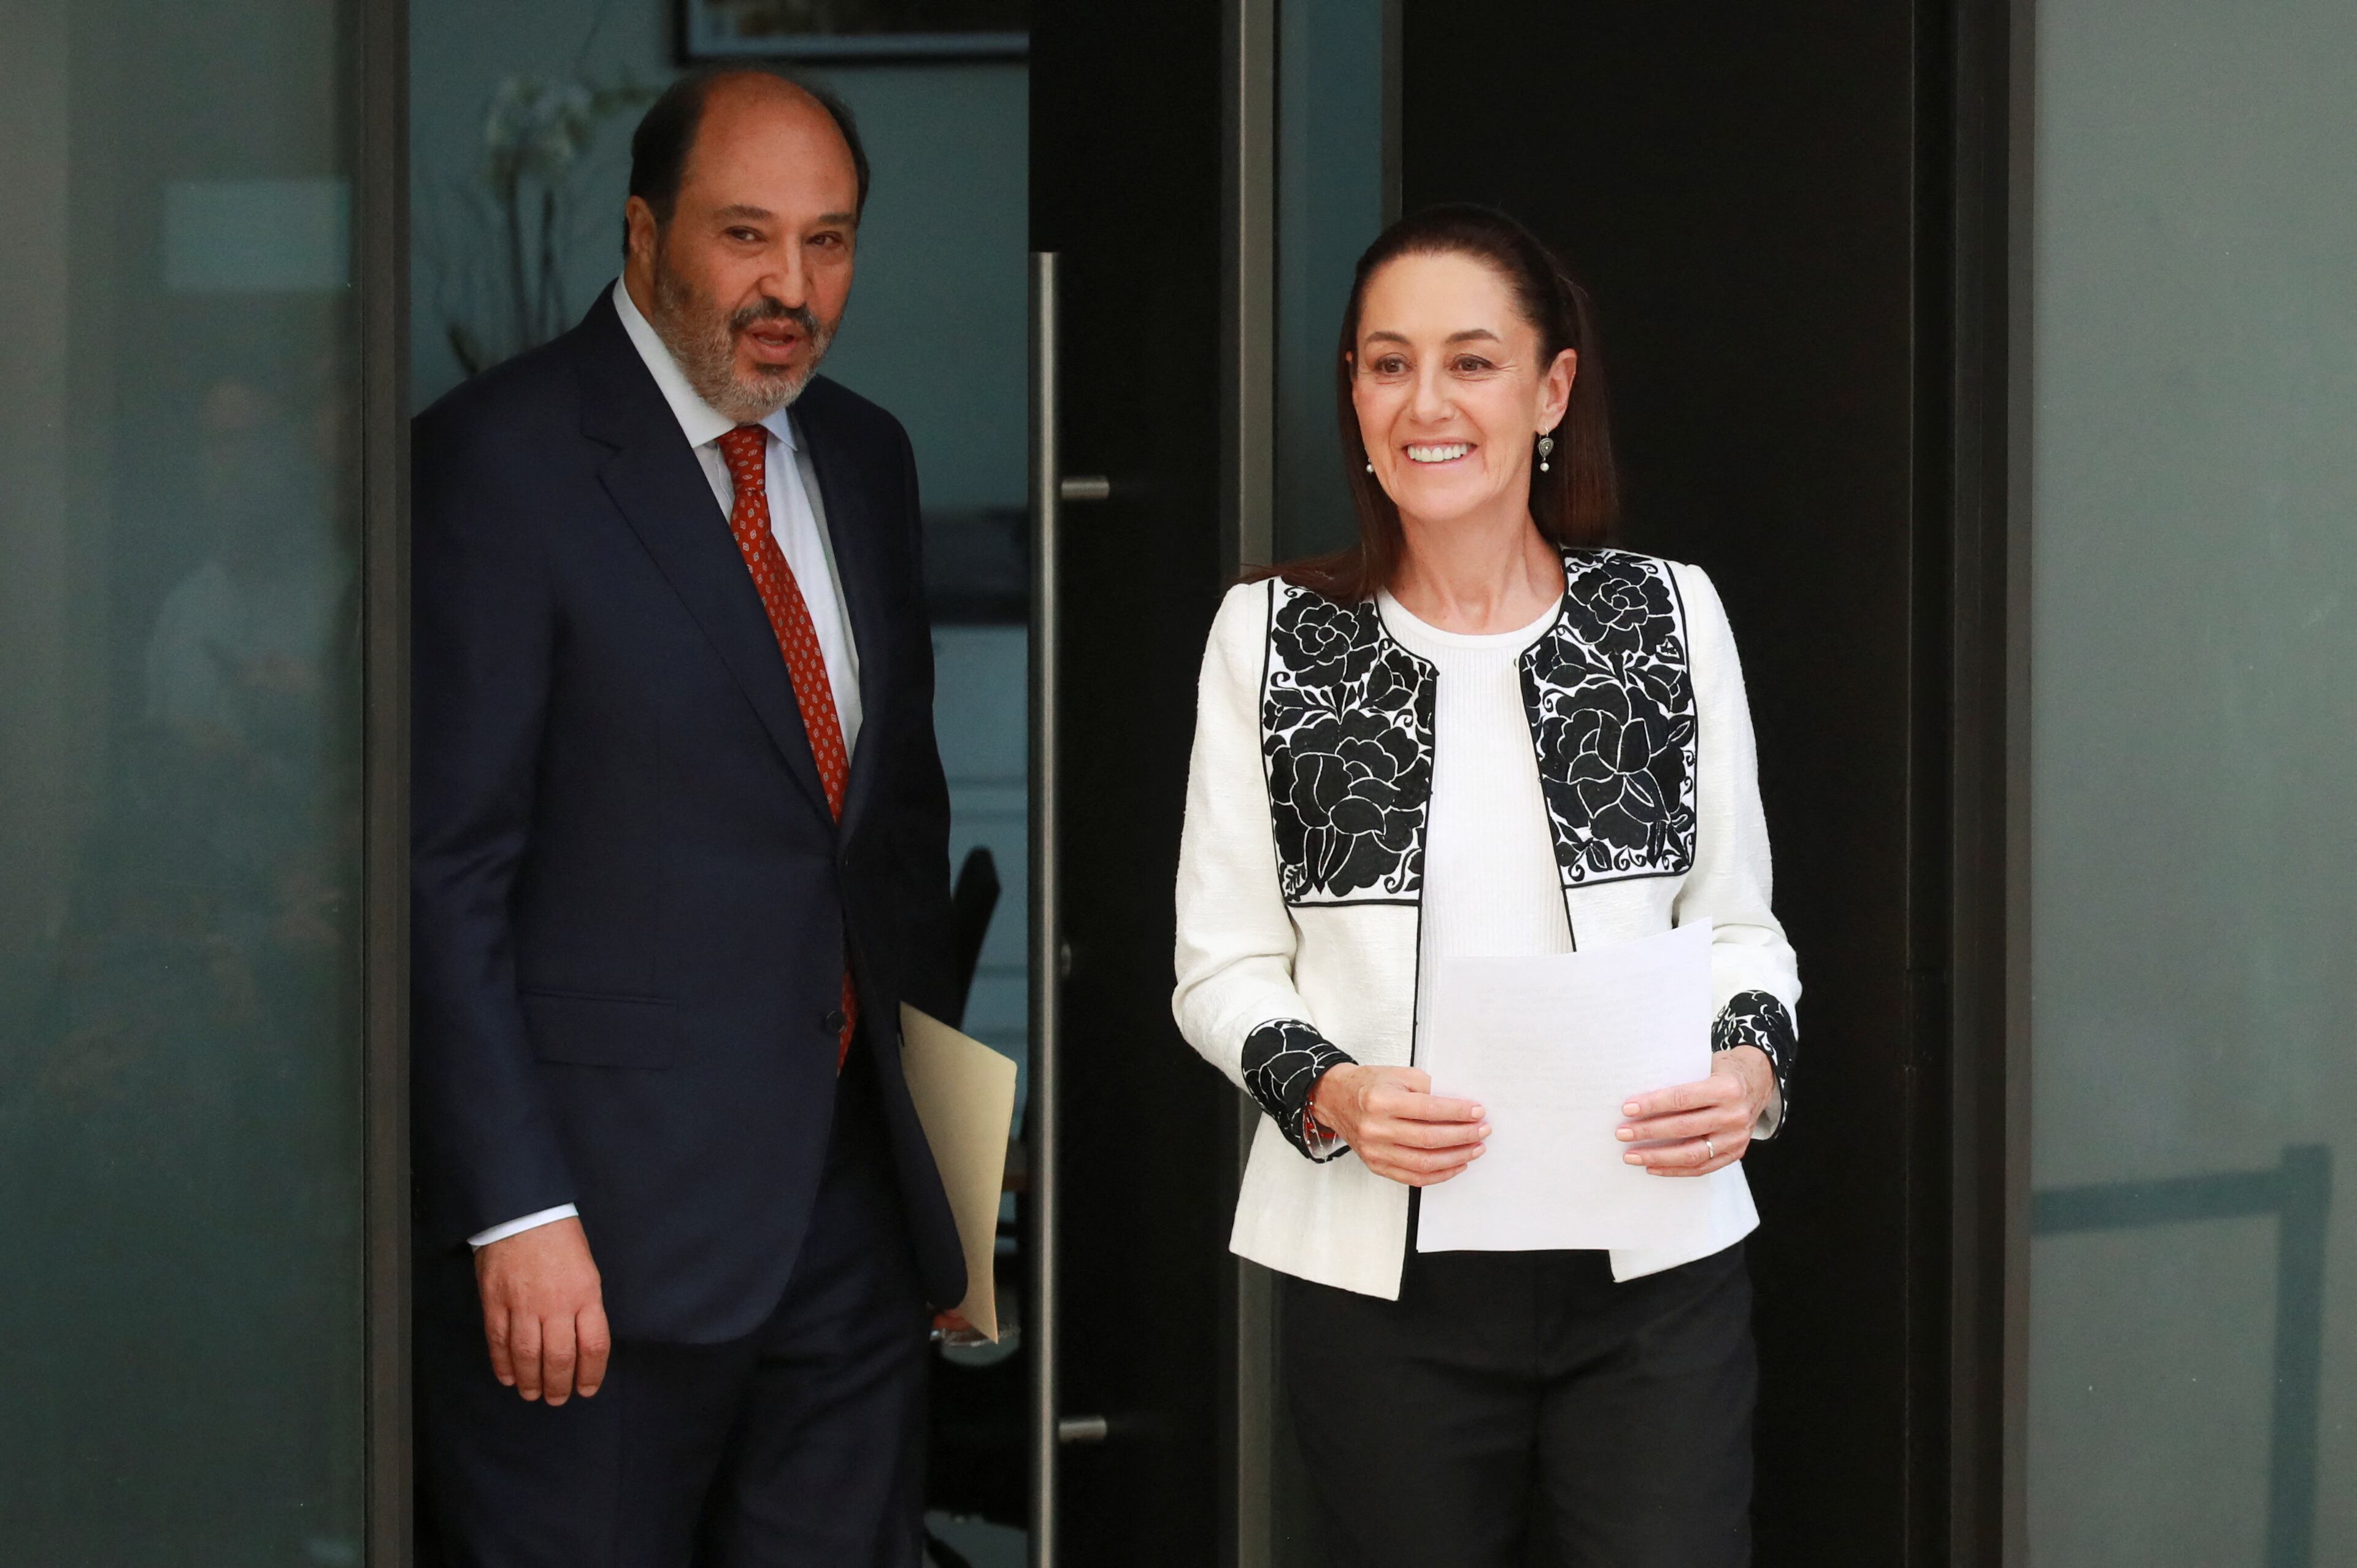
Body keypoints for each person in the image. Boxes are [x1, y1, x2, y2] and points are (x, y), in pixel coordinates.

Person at [1172, 204, 1801, 1567]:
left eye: (1470, 361)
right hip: (1380, 1277)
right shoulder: (1273, 638)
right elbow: (1218, 965)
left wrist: (1748, 1072)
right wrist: (1328, 1090)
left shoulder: (1665, 615)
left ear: (1549, 388)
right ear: (1351, 392)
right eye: (1386, 364)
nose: (1424, 403)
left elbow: (1736, 924)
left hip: (1650, 1264)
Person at [410, 68, 966, 1566]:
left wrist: (938, 1147)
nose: (790, 287)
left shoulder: (864, 455)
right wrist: (513, 1208)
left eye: (830, 241)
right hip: (591, 1246)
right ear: (645, 234)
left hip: (845, 1229)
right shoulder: (497, 463)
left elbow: (885, 837)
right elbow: (442, 871)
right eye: (746, 236)